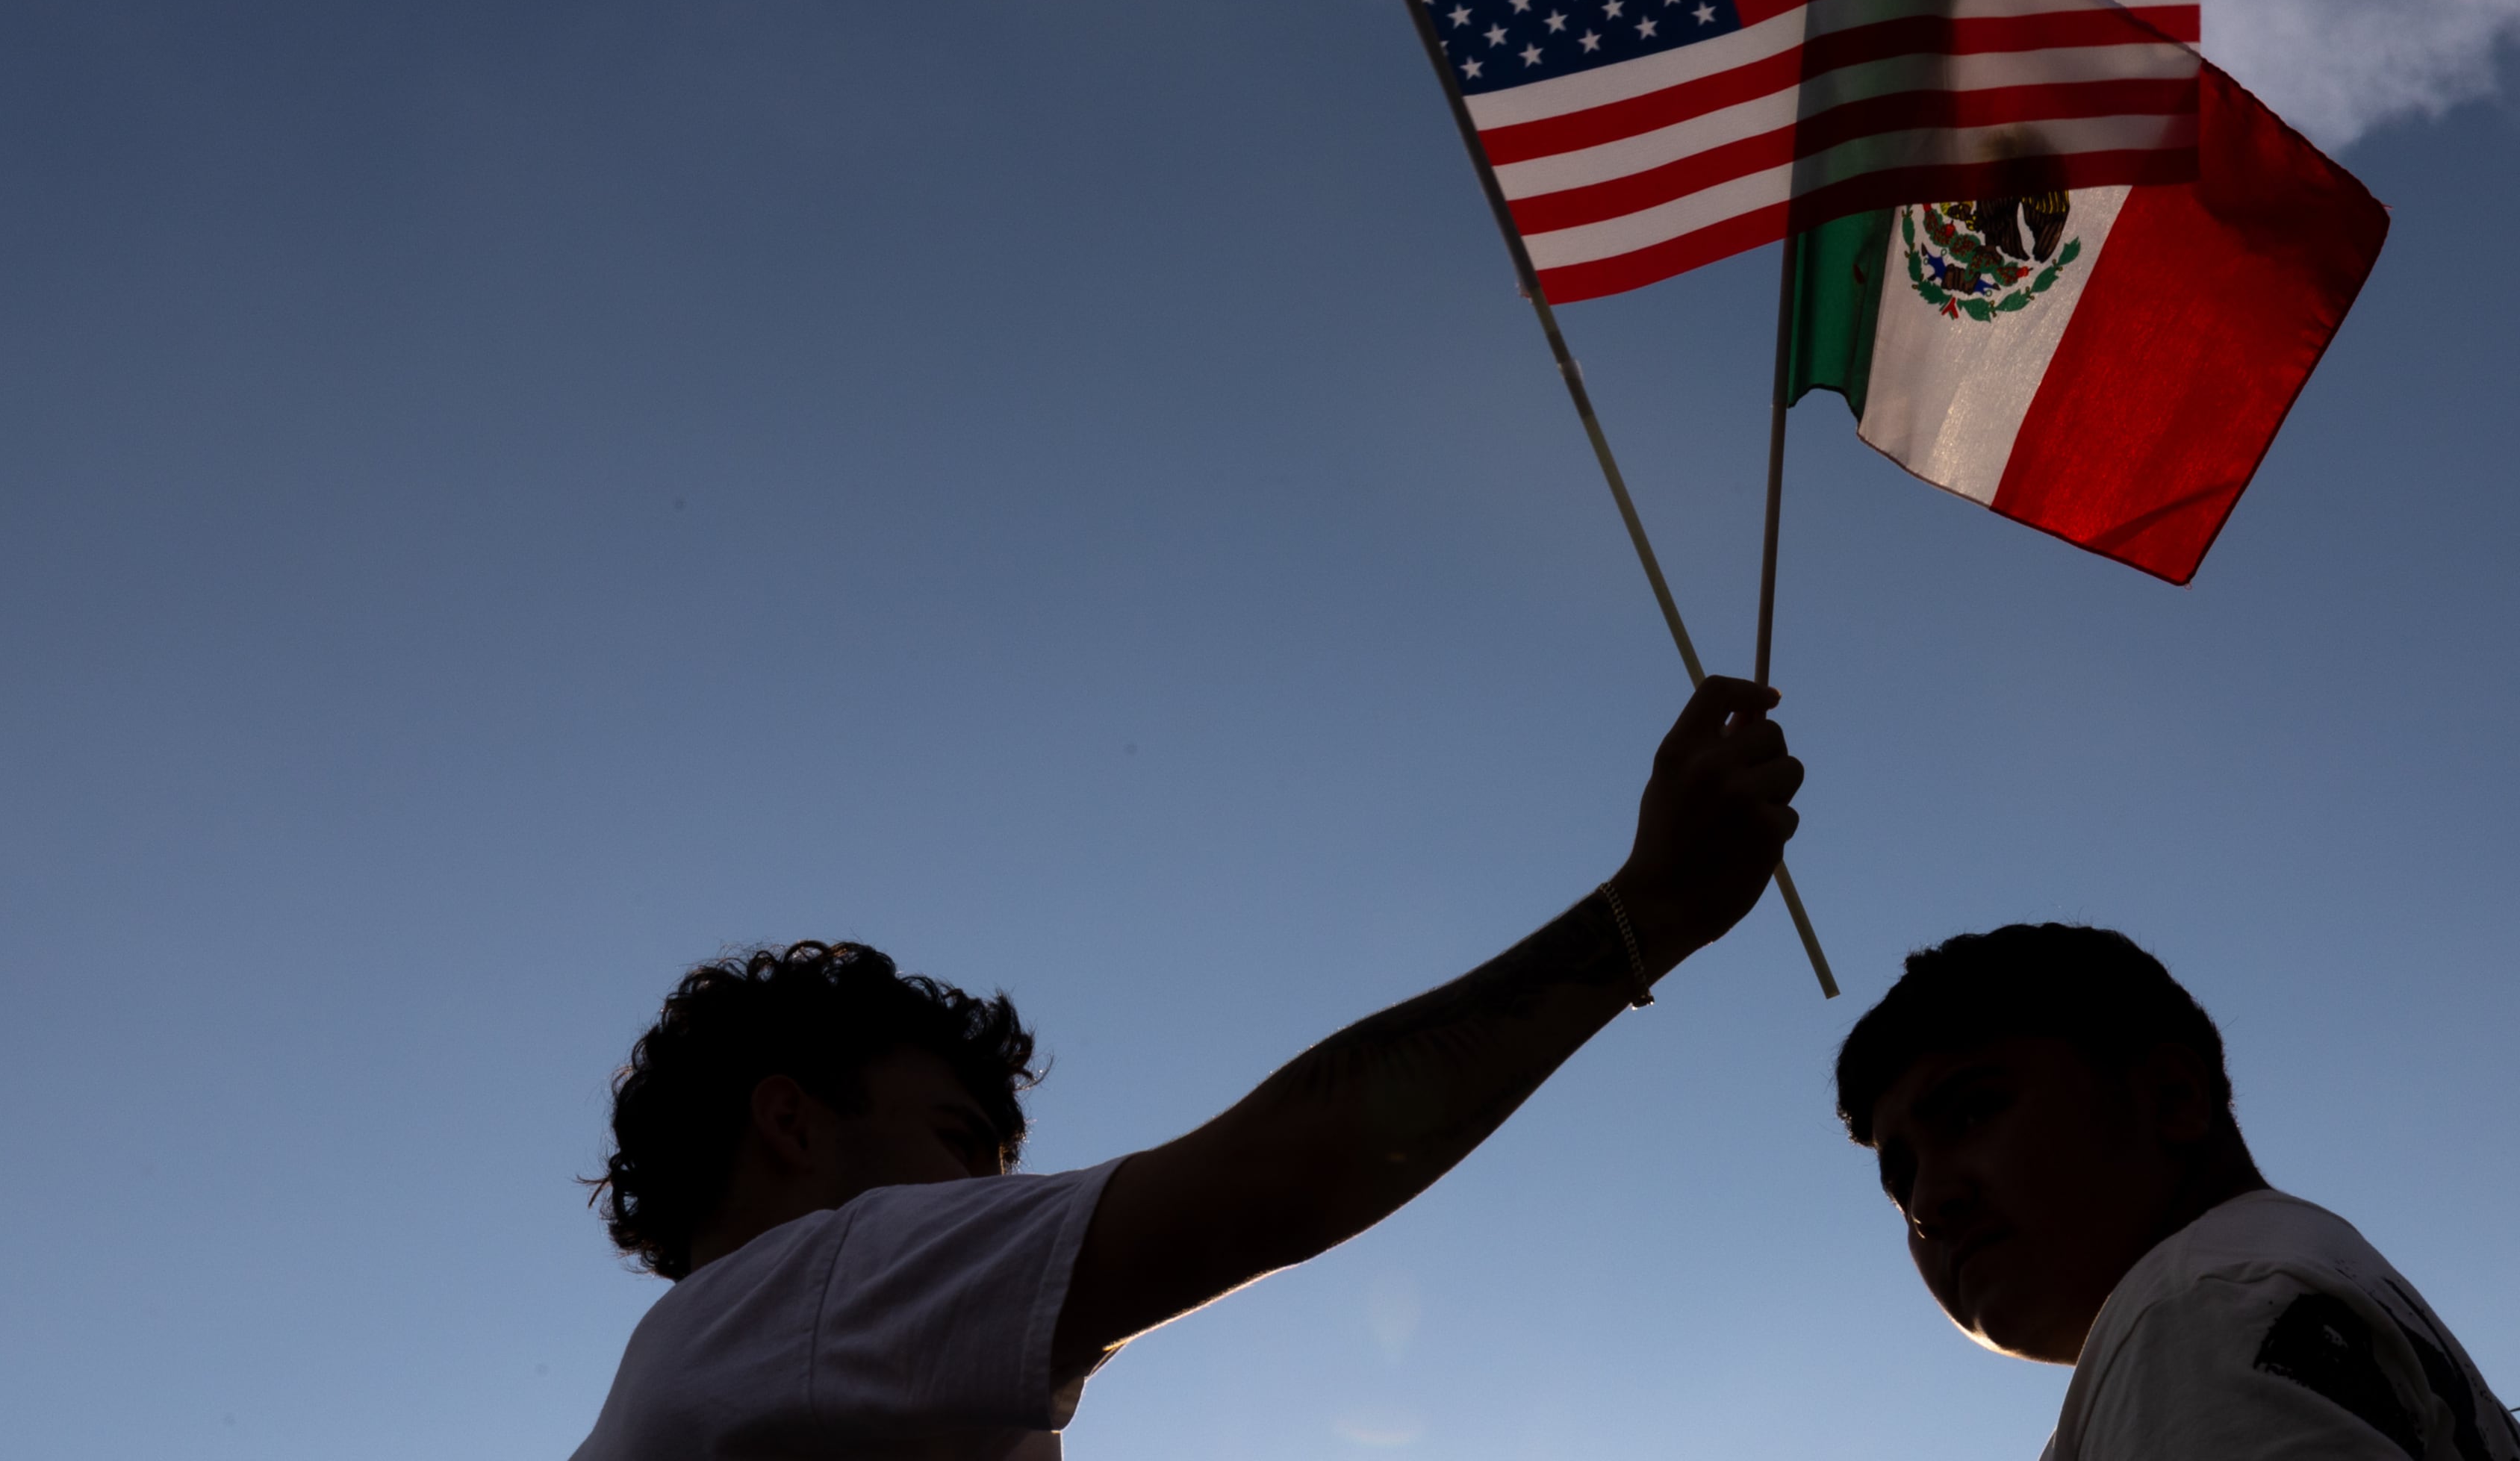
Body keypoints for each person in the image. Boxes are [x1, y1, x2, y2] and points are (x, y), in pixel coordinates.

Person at [566, 676, 1804, 1460]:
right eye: (956, 1140)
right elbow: (1277, 1180)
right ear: (791, 1121)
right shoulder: (805, 1295)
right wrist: (1650, 914)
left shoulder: (696, 1383)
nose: (990, 1199)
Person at [1838, 923, 2518, 1461]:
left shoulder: (2198, 1309)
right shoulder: (2285, 1281)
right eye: (1900, 1183)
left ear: (2172, 1096)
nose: (1928, 1202)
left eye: (1973, 1111)